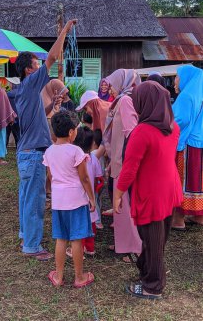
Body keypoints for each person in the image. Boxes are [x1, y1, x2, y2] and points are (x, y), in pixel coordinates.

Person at [114, 81, 183, 299]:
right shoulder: (173, 127)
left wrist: (117, 194)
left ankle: (153, 286)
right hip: (170, 188)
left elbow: (129, 169)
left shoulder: (142, 131)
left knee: (152, 240)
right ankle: (149, 271)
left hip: (152, 193)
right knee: (158, 239)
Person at [15, 19, 77, 260]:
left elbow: (36, 116)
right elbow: (52, 57)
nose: (41, 66)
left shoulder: (24, 91)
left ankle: (25, 235)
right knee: (34, 200)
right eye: (36, 64)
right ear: (29, 71)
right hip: (33, 154)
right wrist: (64, 31)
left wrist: (53, 104)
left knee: (26, 196)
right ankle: (31, 246)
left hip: (26, 153)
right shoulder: (31, 83)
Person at [43, 111, 95, 287]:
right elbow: (85, 178)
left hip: (59, 201)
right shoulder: (76, 151)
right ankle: (79, 277)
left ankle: (58, 276)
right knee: (76, 240)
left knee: (61, 239)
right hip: (76, 201)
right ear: (72, 132)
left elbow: (50, 176)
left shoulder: (49, 152)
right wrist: (92, 198)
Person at [104, 69, 142, 263]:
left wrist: (124, 159)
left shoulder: (126, 101)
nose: (109, 87)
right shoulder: (120, 101)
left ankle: (133, 248)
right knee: (120, 207)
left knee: (125, 207)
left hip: (123, 161)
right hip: (118, 160)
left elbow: (131, 133)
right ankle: (123, 244)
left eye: (111, 83)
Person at [172, 65, 203, 228]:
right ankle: (199, 217)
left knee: (181, 179)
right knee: (197, 180)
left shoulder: (187, 96)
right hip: (200, 142)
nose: (175, 80)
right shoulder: (199, 94)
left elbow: (180, 120)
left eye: (177, 77)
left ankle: (178, 219)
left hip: (188, 144)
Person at [73, 126, 103, 255]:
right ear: (92, 144)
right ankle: (90, 248)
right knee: (91, 222)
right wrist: (96, 190)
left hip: (77, 196)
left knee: (78, 224)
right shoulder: (94, 158)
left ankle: (80, 249)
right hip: (91, 196)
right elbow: (99, 178)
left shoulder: (74, 157)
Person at [6, 77, 20, 148]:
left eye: (10, 83)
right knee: (18, 136)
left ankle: (2, 153)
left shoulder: (8, 94)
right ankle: (19, 151)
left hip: (9, 117)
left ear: (12, 84)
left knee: (6, 135)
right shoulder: (23, 93)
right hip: (19, 117)